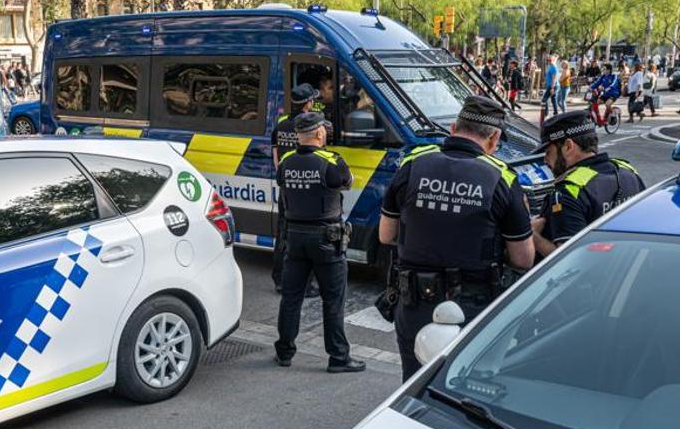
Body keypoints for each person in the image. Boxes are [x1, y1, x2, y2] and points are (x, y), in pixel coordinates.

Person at [379, 96, 534, 380]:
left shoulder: (412, 166)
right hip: (471, 305)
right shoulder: (502, 179)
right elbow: (523, 259)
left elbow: (386, 235)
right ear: (494, 138)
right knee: (463, 389)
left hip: (414, 302)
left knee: (414, 385)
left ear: (453, 128)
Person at [273, 112, 365, 374]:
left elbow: (283, 184)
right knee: (332, 300)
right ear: (319, 133)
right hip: (326, 239)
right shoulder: (332, 161)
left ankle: (284, 352)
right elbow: (346, 183)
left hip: (295, 237)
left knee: (291, 298)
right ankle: (338, 357)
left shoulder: (287, 161)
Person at [530, 111, 646, 259]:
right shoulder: (628, 173)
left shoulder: (568, 190)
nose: (545, 160)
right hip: (626, 269)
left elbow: (567, 258)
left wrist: (533, 236)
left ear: (568, 146)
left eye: (548, 152)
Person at [270, 83, 321, 296]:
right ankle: (304, 284)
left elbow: (276, 157)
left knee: (283, 232)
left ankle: (280, 279)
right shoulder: (312, 125)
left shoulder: (281, 124)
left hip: (286, 184)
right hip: (306, 186)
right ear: (308, 103)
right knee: (304, 233)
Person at [541, 55, 560, 121]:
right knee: (553, 100)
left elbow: (554, 78)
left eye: (549, 60)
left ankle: (546, 113)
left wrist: (552, 88)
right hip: (552, 85)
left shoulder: (553, 67)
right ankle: (556, 113)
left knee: (544, 100)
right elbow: (555, 60)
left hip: (552, 86)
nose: (548, 61)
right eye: (548, 60)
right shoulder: (552, 65)